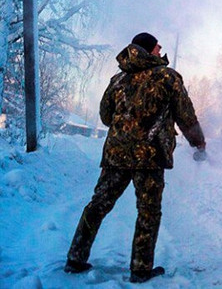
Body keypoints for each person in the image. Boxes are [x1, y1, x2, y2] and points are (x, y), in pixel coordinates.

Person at [64, 32, 206, 283]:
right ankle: (140, 269)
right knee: (148, 211)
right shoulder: (167, 77)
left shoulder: (118, 79)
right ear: (148, 49)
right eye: (157, 46)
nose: (160, 49)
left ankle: (75, 258)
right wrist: (199, 143)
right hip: (150, 157)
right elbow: (186, 116)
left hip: (116, 155)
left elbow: (106, 117)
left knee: (97, 206)